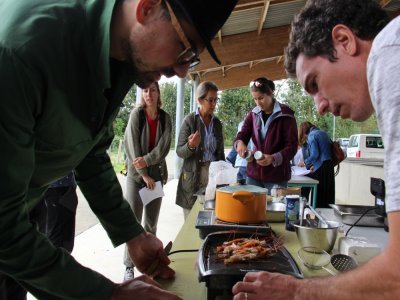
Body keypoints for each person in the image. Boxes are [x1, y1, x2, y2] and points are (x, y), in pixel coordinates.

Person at [0, 0, 238, 299]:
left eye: (190, 60)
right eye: (183, 48)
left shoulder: (123, 59)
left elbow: (91, 154)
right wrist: (110, 294)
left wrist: (133, 234)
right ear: (147, 7)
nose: (180, 71)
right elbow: (4, 228)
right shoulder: (20, 50)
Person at [232, 0, 400, 299]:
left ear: (344, 41)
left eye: (315, 83)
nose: (320, 107)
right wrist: (243, 146)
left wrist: (297, 291)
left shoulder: (390, 55)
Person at [123, 82, 172, 281]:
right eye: (145, 90)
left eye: (152, 90)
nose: (148, 94)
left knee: (151, 224)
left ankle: (151, 265)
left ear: (158, 93)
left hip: (156, 175)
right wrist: (143, 174)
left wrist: (149, 162)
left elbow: (164, 147)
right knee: (133, 224)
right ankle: (129, 267)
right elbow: (132, 147)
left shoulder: (165, 118)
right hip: (136, 177)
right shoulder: (136, 115)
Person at [235, 77, 298, 191]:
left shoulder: (286, 115)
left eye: (261, 98)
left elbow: (292, 147)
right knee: (252, 207)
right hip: (253, 175)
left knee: (275, 207)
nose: (258, 103)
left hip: (277, 176)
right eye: (255, 99)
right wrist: (240, 143)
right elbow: (242, 135)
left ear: (271, 94)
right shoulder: (253, 115)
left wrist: (273, 158)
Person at [176, 81, 225, 220]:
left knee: (212, 218)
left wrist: (226, 173)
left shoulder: (217, 123)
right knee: (192, 221)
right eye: (210, 100)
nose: (214, 104)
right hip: (193, 177)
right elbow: (180, 151)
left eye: (216, 100)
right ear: (199, 100)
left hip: (214, 176)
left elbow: (220, 153)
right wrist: (191, 146)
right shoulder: (189, 121)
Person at [299, 121, 335, 208]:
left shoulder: (312, 135)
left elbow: (315, 154)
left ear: (304, 131)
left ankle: (317, 216)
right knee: (328, 195)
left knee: (319, 195)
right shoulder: (323, 133)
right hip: (329, 166)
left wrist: (304, 162)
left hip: (321, 168)